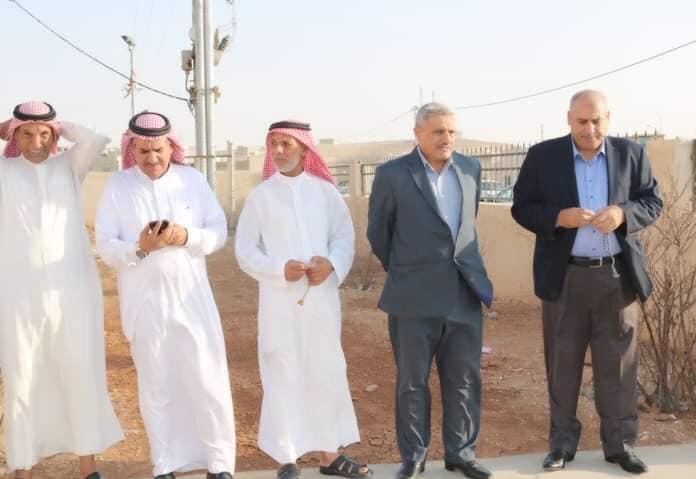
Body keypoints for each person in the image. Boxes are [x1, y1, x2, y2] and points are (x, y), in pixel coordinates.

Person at [511, 90, 663, 474]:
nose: (590, 129)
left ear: (608, 118)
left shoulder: (632, 155)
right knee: (563, 365)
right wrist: (558, 218)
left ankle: (621, 445)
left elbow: (652, 202)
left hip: (616, 277)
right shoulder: (543, 157)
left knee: (619, 367)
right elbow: (522, 207)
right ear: (569, 119)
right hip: (565, 277)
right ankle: (562, 445)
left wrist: (623, 214)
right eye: (582, 121)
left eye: (597, 121)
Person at [94, 112, 235, 479]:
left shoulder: (193, 180)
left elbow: (218, 231)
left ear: (172, 147)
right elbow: (106, 246)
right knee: (157, 384)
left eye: (158, 149)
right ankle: (165, 464)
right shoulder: (118, 186)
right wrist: (140, 248)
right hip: (144, 303)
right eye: (143, 151)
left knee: (207, 379)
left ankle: (219, 463)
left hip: (192, 299)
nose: (152, 158)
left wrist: (185, 236)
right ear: (132, 150)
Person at [235, 120, 371, 479]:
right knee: (282, 371)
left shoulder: (326, 194)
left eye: (287, 144)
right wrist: (278, 269)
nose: (279, 151)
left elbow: (343, 238)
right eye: (274, 144)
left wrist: (332, 264)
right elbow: (245, 250)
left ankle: (330, 456)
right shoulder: (261, 197)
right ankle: (287, 458)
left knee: (325, 371)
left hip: (321, 301)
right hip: (278, 303)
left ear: (304, 149)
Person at [367, 103, 493, 479]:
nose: (447, 138)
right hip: (412, 296)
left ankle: (461, 453)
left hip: (463, 293)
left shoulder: (470, 168)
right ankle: (414, 456)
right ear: (418, 134)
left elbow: (467, 226)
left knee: (464, 379)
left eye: (452, 131)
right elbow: (379, 233)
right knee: (412, 382)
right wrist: (408, 268)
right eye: (439, 131)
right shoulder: (392, 174)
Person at [0, 101, 124, 479]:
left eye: (44, 134)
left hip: (72, 290)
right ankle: (23, 466)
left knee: (80, 372)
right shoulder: (4, 171)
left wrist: (57, 125)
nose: (36, 142)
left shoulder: (68, 167)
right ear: (14, 136)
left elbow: (95, 139)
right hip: (18, 294)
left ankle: (88, 465)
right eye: (26, 134)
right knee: (22, 378)